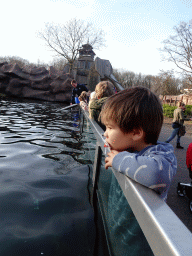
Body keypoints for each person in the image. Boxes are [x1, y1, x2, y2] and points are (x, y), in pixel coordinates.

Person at [99, 87, 177, 255]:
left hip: (137, 245)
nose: (105, 133)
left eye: (110, 127)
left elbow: (156, 174)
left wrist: (118, 159)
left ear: (135, 132)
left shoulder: (161, 157)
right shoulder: (128, 148)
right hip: (119, 233)